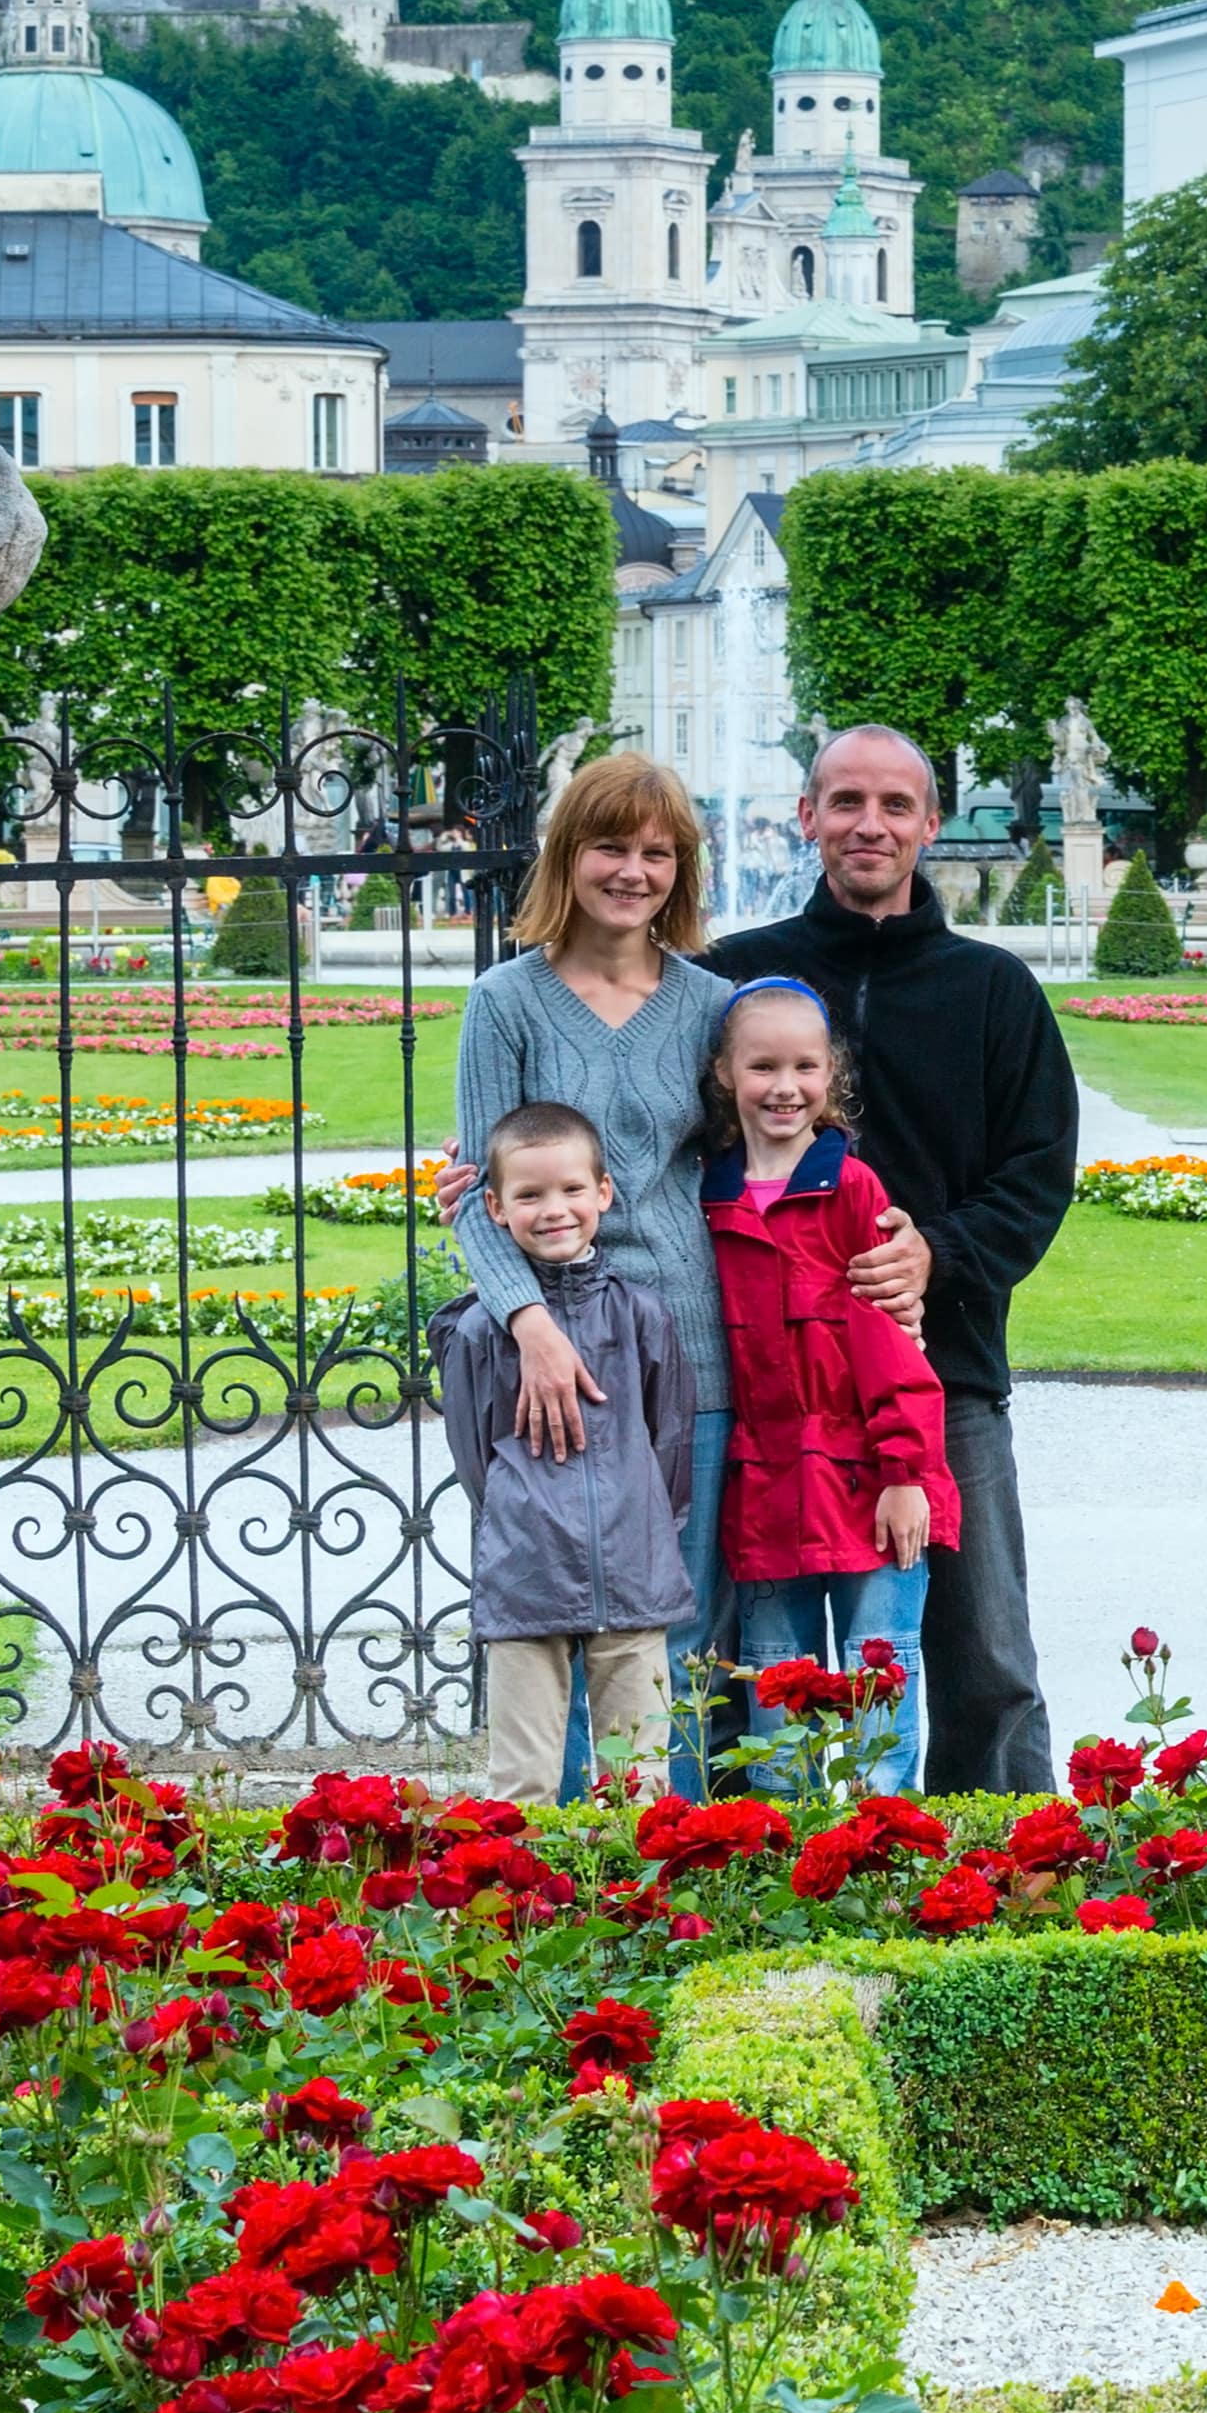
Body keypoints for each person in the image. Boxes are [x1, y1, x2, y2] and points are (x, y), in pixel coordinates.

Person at [705, 725, 1078, 1793]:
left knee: (983, 1651)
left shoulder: (991, 989)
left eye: (896, 805)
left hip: (939, 1370)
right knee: (751, 1655)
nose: (870, 824)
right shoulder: (738, 976)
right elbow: (655, 1135)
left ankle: (1009, 1864)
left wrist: (938, 1254)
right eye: (846, 802)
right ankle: (749, 1859)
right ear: (806, 816)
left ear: (927, 822)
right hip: (763, 1385)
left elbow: (1038, 1171)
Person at [450, 753, 739, 1794]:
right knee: (553, 1618)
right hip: (552, 1364)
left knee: (675, 1621)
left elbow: (770, 1150)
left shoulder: (713, 1003)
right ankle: (559, 1873)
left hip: (686, 1351)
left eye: (657, 852)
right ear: (568, 854)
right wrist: (530, 1325)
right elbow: (479, 1197)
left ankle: (672, 1854)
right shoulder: (508, 1002)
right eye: (610, 846)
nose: (633, 871)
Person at [692, 977, 954, 1795]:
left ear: (829, 1074)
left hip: (871, 1480)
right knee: (779, 1692)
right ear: (725, 1074)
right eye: (762, 1065)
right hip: (766, 1490)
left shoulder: (851, 1190)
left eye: (805, 1066)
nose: (784, 1086)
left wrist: (906, 1474)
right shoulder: (705, 1196)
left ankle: (888, 1861)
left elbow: (890, 1349)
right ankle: (789, 1873)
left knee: (880, 1685)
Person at [438, 1101, 695, 1801]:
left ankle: (632, 1905)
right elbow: (475, 1459)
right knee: (522, 1782)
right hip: (528, 1571)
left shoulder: (641, 1312)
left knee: (637, 1783)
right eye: (529, 1194)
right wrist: (524, 1515)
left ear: (603, 1193)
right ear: (493, 1206)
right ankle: (527, 1908)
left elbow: (667, 1434)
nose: (554, 1209)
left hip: (633, 1569)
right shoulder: (480, 1330)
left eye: (571, 1189)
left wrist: (641, 1523)